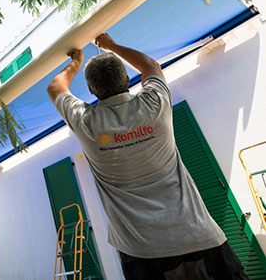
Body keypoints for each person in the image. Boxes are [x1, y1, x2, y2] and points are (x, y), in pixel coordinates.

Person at [47, 33, 248, 280]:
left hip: (141, 251)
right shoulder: (154, 104)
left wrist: (76, 62)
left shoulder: (86, 123)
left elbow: (55, 87)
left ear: (90, 89)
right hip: (198, 235)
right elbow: (150, 66)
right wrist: (112, 45)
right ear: (127, 79)